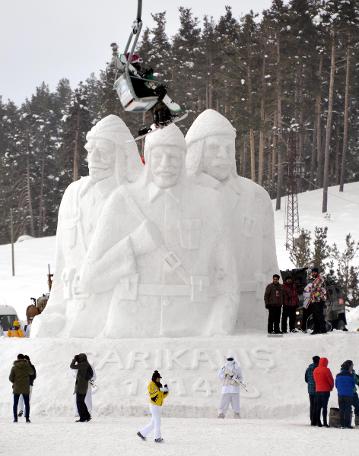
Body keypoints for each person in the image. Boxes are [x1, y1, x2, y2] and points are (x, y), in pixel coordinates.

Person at [80, 123, 237, 338]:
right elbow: (89, 279)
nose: (166, 164)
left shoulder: (210, 202)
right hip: (127, 326)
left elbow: (228, 281)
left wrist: (218, 328)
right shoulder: (123, 200)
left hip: (191, 324)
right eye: (158, 157)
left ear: (183, 159)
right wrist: (133, 245)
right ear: (148, 158)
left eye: (173, 157)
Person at [31, 115, 142, 339]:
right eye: (91, 150)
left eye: (103, 150)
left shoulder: (135, 198)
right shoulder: (73, 195)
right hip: (73, 311)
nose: (94, 157)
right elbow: (63, 262)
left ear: (121, 154)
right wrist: (55, 311)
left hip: (115, 314)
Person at [185, 109, 279, 332]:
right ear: (197, 152)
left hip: (252, 308)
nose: (223, 155)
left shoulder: (256, 196)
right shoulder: (181, 197)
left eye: (228, 148)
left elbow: (269, 259)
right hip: (197, 309)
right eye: (214, 148)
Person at [137, 370, 169, 443]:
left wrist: (166, 391)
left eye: (160, 378)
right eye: (158, 378)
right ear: (154, 378)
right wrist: (162, 389)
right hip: (154, 405)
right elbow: (154, 394)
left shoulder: (158, 384)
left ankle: (142, 433)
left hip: (158, 406)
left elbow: (161, 396)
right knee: (158, 422)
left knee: (153, 423)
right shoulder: (151, 384)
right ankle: (157, 438)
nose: (159, 379)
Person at [9, 354, 34, 423]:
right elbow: (32, 372)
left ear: (17, 358)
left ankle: (15, 419)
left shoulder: (14, 367)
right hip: (25, 387)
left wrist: (15, 381)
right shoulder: (27, 366)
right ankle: (27, 419)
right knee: (27, 403)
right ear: (24, 359)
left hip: (16, 388)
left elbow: (10, 378)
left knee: (15, 404)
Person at [70, 353, 93, 422]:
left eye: (79, 358)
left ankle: (83, 418)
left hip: (81, 386)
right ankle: (87, 416)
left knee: (79, 402)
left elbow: (72, 366)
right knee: (81, 402)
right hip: (83, 386)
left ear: (81, 358)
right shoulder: (86, 364)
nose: (78, 359)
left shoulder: (83, 364)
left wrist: (74, 360)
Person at [313, 357, 334, 427]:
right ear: (326, 363)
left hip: (318, 390)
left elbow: (315, 380)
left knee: (318, 406)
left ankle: (318, 422)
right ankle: (325, 422)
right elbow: (330, 380)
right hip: (325, 391)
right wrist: (331, 387)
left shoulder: (315, 370)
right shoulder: (327, 370)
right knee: (325, 406)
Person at [306, 268, 327, 334]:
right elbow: (313, 289)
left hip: (319, 299)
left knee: (319, 315)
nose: (313, 273)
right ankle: (316, 329)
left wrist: (314, 295)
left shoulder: (320, 279)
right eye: (312, 272)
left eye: (315, 272)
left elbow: (319, 290)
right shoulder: (315, 280)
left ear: (317, 272)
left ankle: (323, 329)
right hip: (314, 300)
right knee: (315, 315)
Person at [335, 360, 356, 429]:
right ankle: (347, 424)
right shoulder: (350, 376)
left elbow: (336, 385)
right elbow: (353, 385)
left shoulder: (338, 375)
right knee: (347, 409)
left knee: (341, 409)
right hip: (349, 395)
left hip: (340, 395)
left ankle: (342, 424)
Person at [305, 356, 320, 426]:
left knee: (312, 405)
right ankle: (316, 420)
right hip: (317, 389)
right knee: (317, 405)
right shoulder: (318, 368)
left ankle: (312, 419)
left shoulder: (308, 369)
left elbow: (306, 379)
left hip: (310, 389)